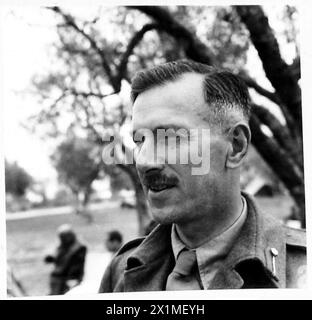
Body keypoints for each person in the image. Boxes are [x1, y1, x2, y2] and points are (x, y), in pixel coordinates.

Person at [99, 60, 306, 292]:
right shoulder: (122, 271)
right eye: (139, 140)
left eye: (170, 137)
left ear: (236, 146)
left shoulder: (302, 269)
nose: (145, 161)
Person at [45, 224, 87, 295]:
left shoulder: (79, 247)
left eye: (63, 237)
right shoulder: (62, 246)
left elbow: (72, 266)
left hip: (68, 278)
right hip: (58, 278)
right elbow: (49, 259)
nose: (61, 239)